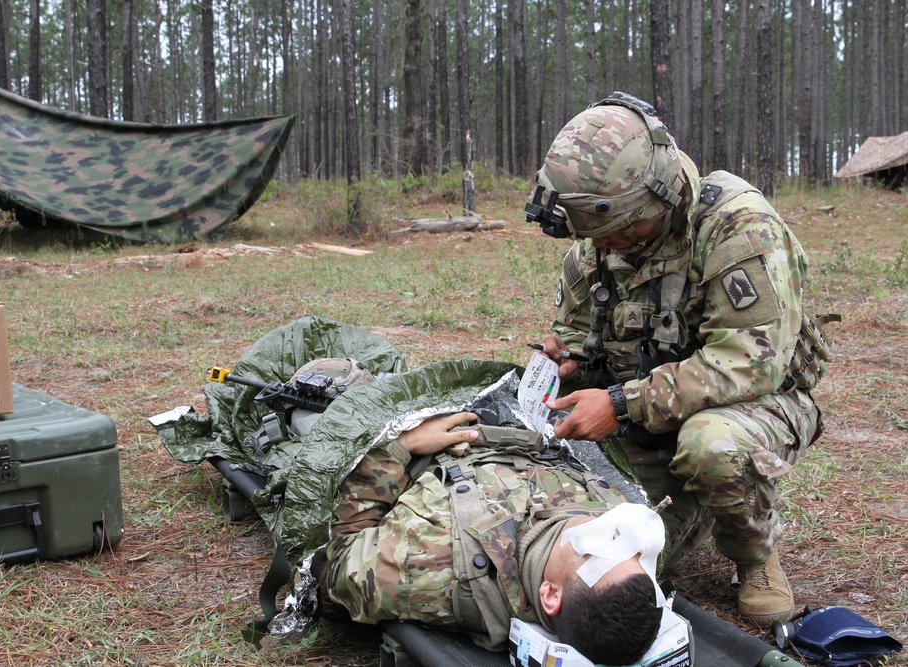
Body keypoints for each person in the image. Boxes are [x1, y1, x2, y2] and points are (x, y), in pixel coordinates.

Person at [525, 92, 833, 626]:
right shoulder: (600, 243)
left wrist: (620, 403)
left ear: (659, 196)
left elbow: (750, 363)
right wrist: (570, 358)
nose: (608, 245)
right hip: (648, 413)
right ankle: (688, 504)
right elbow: (577, 328)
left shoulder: (737, 229)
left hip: (755, 402)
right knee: (613, 545)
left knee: (709, 446)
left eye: (620, 229)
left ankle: (754, 554)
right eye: (597, 234)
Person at [318, 410, 668, 666]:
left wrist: (400, 446)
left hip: (390, 426)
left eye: (599, 555)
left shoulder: (427, 567)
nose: (616, 532)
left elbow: (339, 562)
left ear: (549, 595)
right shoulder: (626, 529)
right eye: (633, 553)